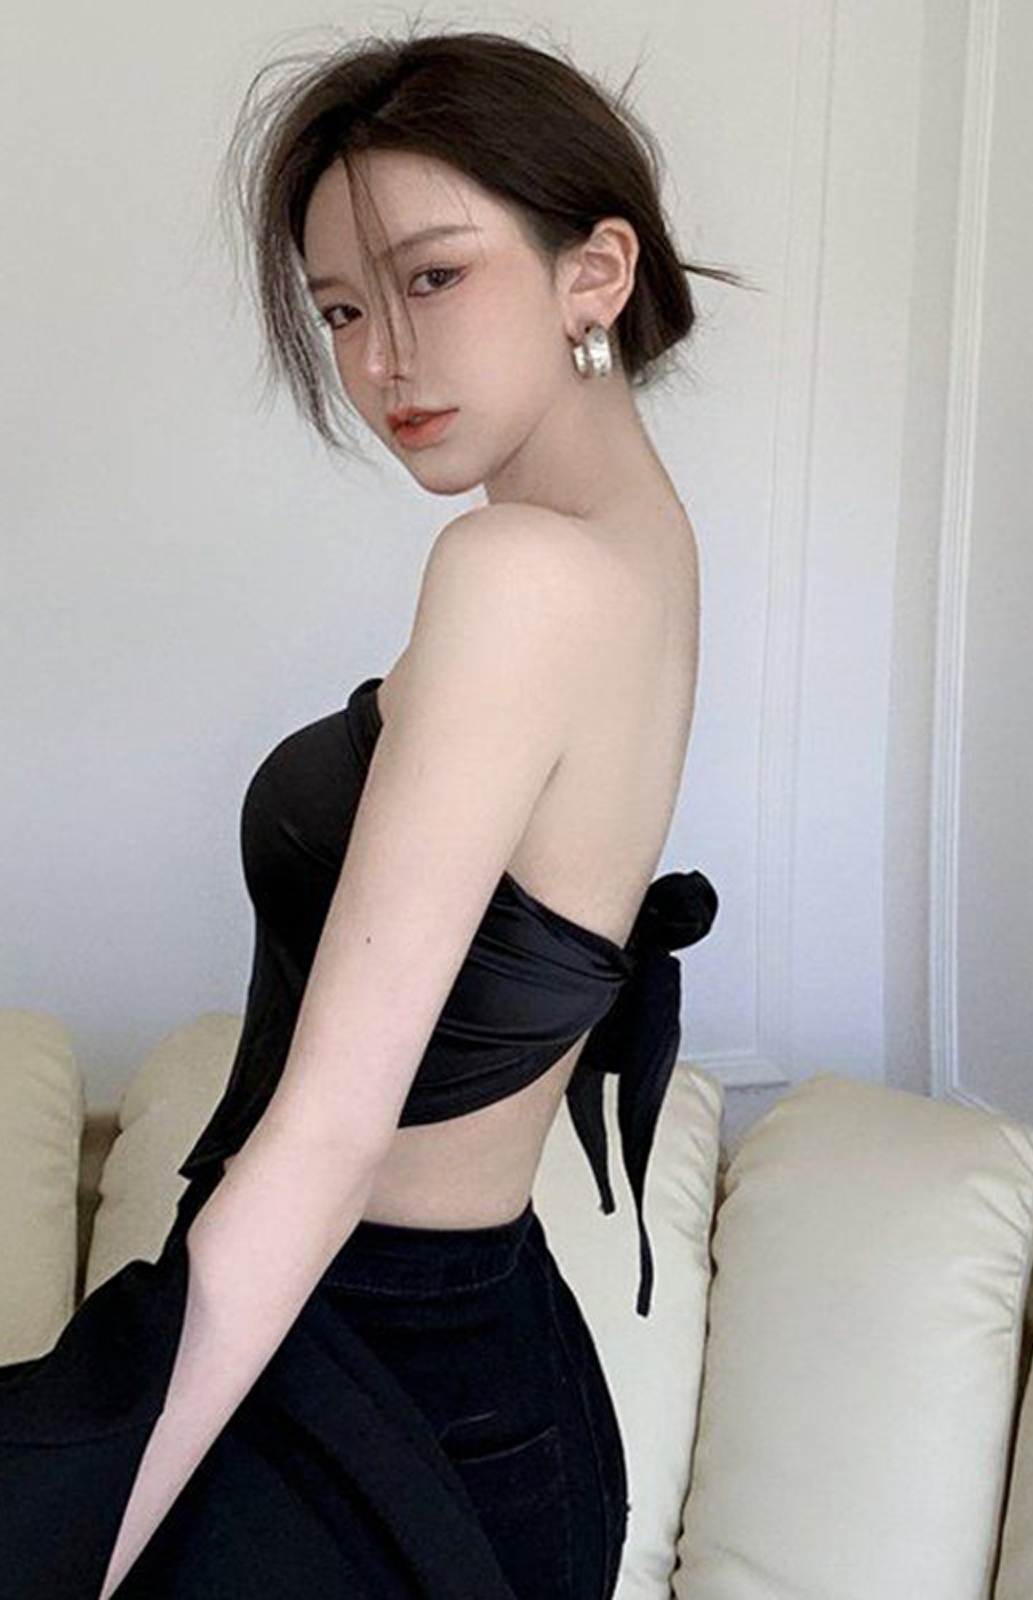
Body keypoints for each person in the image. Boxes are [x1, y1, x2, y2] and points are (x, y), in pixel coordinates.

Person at [0, 23, 745, 1599]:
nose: (382, 360)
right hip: (455, 1371)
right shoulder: (636, 546)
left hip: (377, 1392)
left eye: (433, 277)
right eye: (343, 308)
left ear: (596, 273)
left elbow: (335, 1133)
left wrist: (79, 1541)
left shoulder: (517, 573)